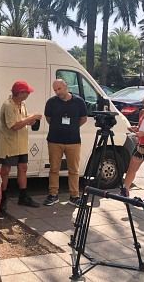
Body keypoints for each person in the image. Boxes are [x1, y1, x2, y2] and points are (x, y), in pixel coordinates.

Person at [0, 80, 43, 212]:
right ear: (20, 93)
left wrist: (31, 119)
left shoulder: (22, 104)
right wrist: (30, 119)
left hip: (22, 144)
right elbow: (14, 126)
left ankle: (23, 196)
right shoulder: (7, 105)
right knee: (5, 171)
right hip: (9, 144)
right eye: (27, 92)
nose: (29, 94)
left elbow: (21, 121)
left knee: (23, 168)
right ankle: (2, 198)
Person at [43, 79, 88, 207]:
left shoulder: (79, 101)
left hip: (73, 141)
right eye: (55, 90)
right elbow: (48, 118)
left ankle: (74, 196)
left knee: (73, 170)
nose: (57, 92)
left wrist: (73, 127)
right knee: (54, 169)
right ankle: (53, 194)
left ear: (66, 87)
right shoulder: (51, 102)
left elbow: (83, 119)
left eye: (59, 89)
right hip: (54, 140)